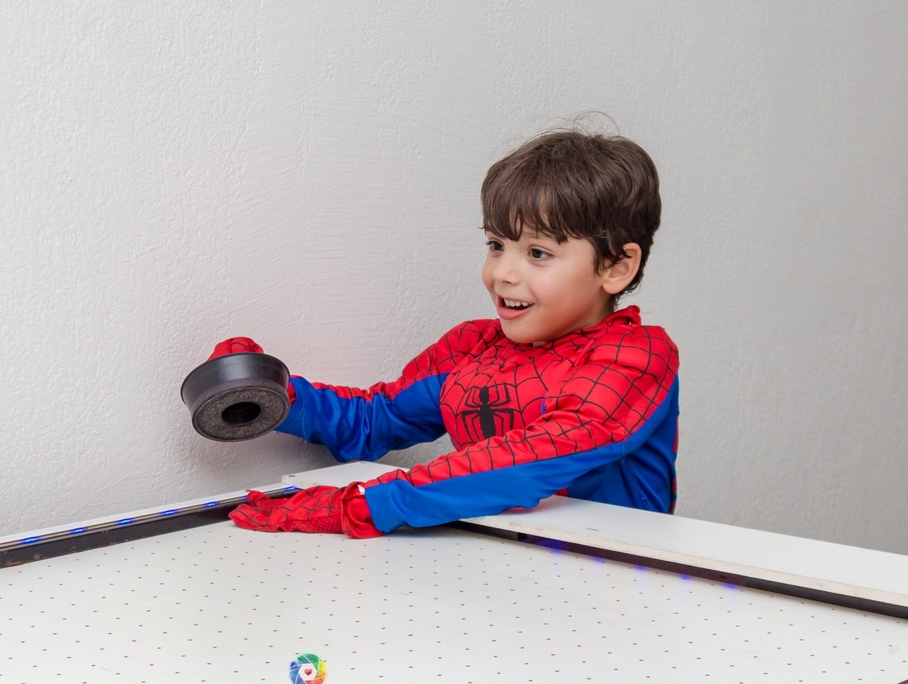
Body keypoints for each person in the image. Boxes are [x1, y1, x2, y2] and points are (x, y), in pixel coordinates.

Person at [216, 129, 678, 539]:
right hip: (492, 567)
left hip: (617, 578)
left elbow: (530, 459)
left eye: (538, 253)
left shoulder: (640, 357)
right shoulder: (473, 348)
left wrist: (362, 506)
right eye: (496, 245)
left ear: (617, 267)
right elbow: (375, 419)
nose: (503, 273)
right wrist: (270, 389)